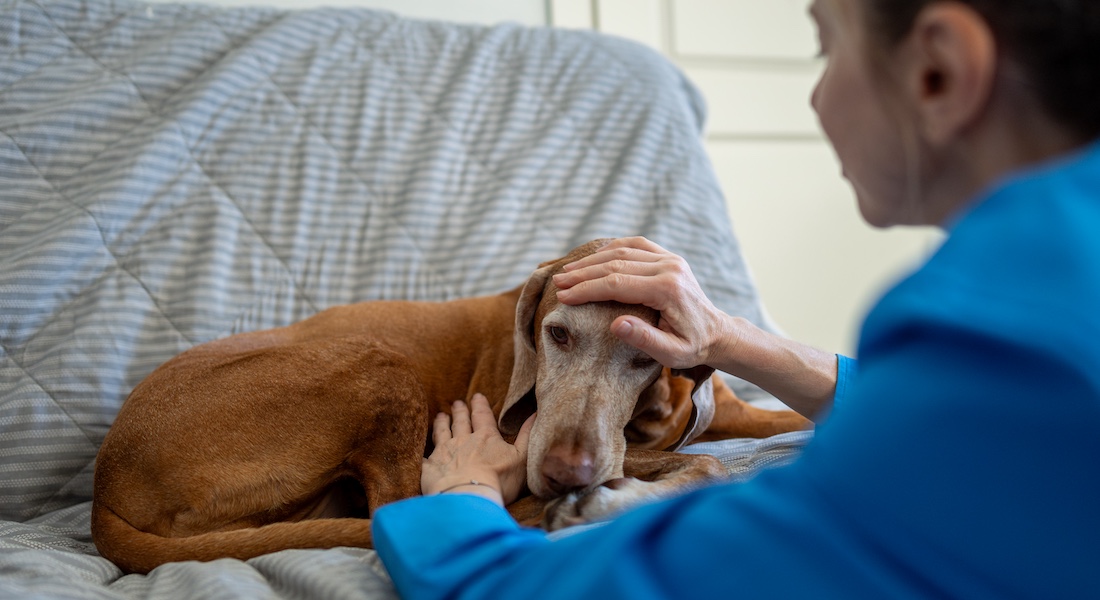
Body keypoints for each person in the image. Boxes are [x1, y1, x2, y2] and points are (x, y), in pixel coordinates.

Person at [372, 0, 1100, 596]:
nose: (816, 98)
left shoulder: (1003, 341)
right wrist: (729, 337)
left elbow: (517, 589)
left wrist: (463, 496)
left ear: (938, 72)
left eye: (824, 46)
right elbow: (948, 431)